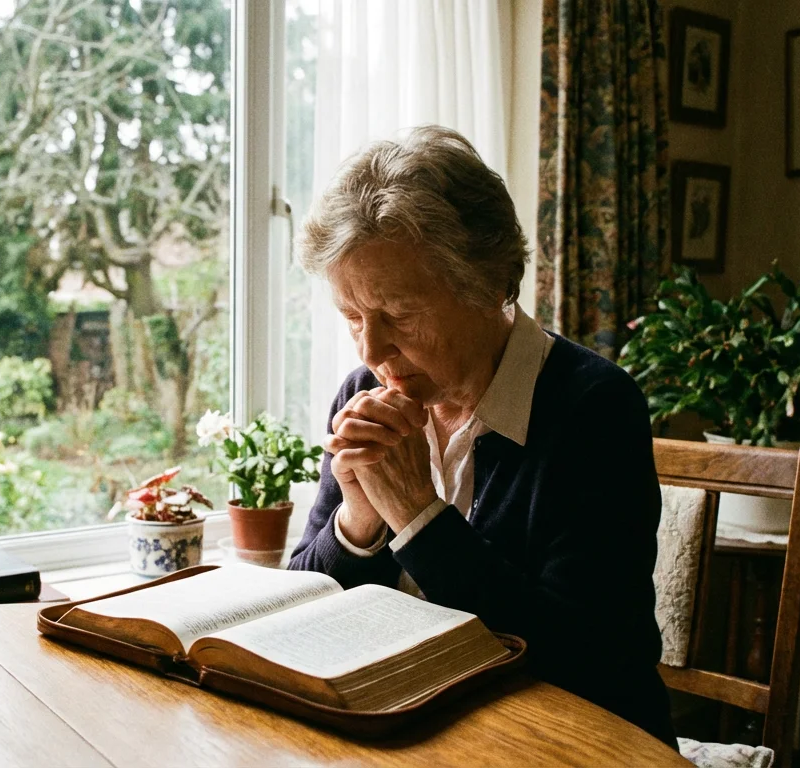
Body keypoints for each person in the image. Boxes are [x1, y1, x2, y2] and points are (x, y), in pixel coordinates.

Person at [287, 125, 676, 747]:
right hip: (422, 734)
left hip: (579, 745)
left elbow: (582, 657)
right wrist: (360, 522)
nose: (372, 348)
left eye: (400, 314)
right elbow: (305, 610)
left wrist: (417, 514)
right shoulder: (363, 391)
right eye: (353, 317)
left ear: (491, 283)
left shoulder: (594, 409)